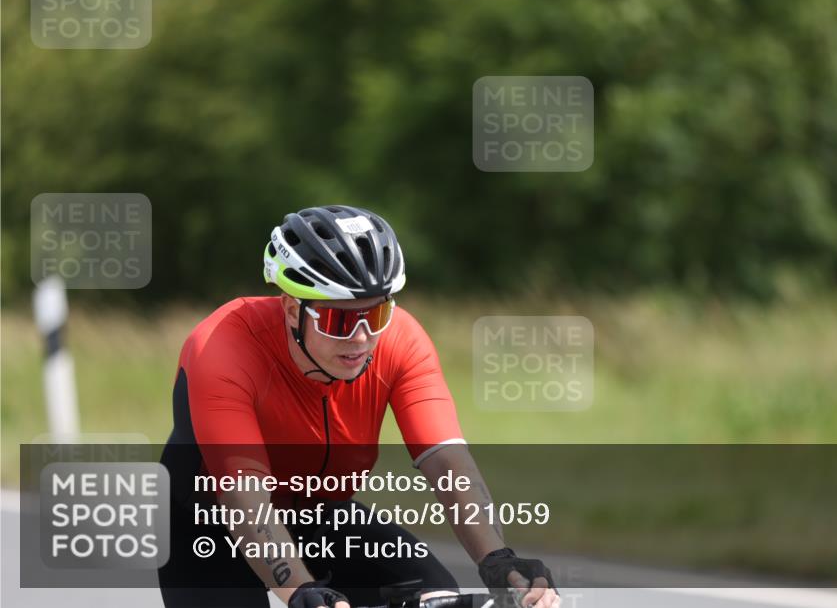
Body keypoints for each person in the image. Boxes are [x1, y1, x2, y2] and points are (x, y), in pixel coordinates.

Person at [158, 205, 559, 608]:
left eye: (377, 314)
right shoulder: (223, 347)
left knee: (437, 595)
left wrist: (497, 559)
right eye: (340, 320)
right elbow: (244, 496)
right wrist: (300, 591)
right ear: (293, 310)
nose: (362, 338)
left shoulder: (401, 341)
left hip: (322, 515)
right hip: (209, 525)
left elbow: (447, 462)